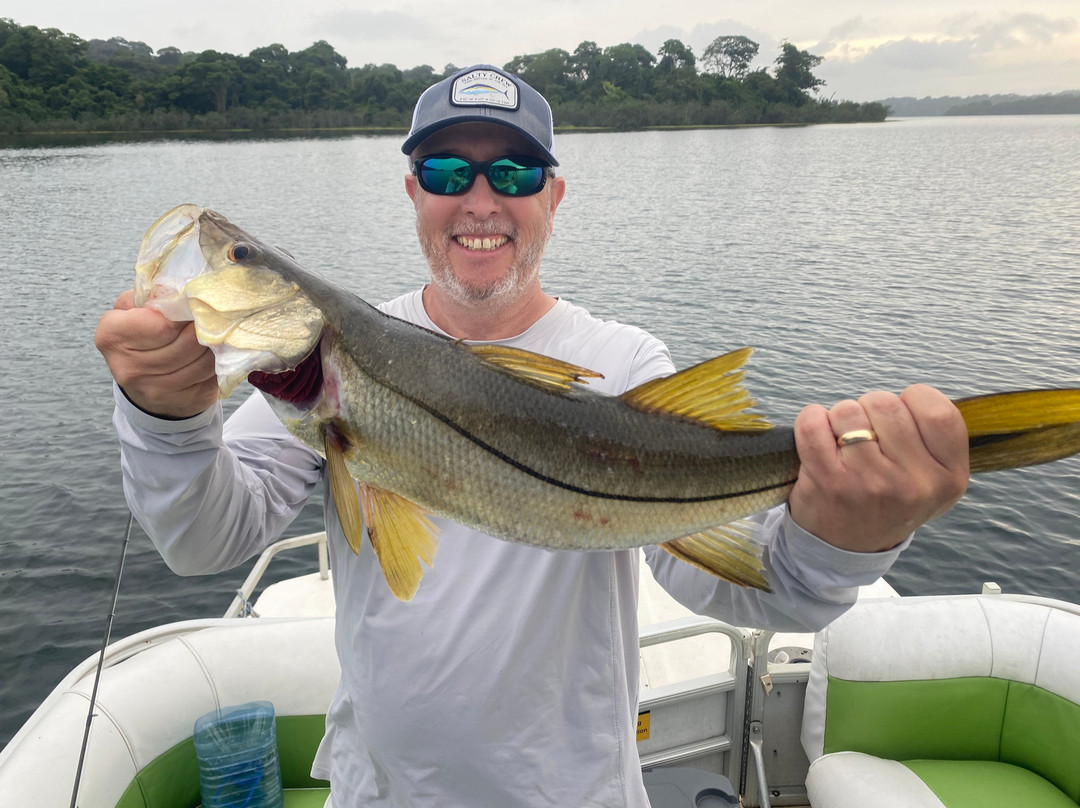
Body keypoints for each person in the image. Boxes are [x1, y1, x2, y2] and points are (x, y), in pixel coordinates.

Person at [95, 65, 969, 807]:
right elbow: (205, 540)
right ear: (413, 191)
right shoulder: (321, 374)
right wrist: (168, 419)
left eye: (514, 174)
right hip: (380, 789)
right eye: (447, 171)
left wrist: (845, 537)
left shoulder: (621, 362)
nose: (481, 199)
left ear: (554, 194)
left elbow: (766, 595)